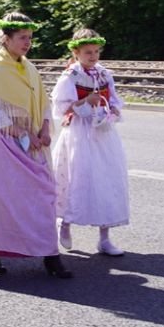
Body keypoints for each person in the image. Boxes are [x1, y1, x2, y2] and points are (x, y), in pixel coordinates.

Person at [0, 12, 71, 278]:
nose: (27, 42)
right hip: (4, 144)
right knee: (4, 201)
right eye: (22, 37)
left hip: (32, 140)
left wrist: (44, 127)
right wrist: (22, 131)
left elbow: (44, 102)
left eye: (30, 37)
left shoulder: (29, 67)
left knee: (43, 197)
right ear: (6, 38)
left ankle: (50, 256)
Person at [51, 29, 129, 256]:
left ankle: (104, 237)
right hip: (79, 133)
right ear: (76, 53)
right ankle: (65, 223)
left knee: (106, 180)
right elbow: (60, 107)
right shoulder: (70, 77)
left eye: (96, 52)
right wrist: (85, 100)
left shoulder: (104, 73)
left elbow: (114, 97)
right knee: (78, 177)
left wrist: (113, 107)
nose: (93, 56)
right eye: (88, 52)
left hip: (103, 132)